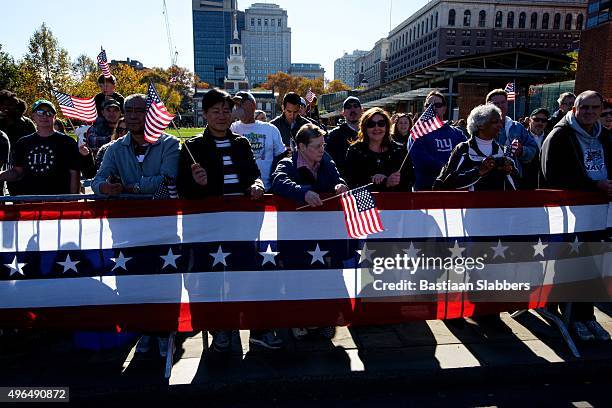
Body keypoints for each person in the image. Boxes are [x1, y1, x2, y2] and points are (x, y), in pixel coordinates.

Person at [176, 88, 267, 351]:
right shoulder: (192, 147)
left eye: (226, 111)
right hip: (207, 228)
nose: (221, 116)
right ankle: (219, 330)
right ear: (205, 114)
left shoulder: (241, 144)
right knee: (210, 279)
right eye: (215, 111)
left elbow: (253, 174)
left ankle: (247, 325)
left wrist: (257, 185)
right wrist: (198, 183)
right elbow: (183, 191)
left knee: (243, 275)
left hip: (240, 225)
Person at [541, 90, 611, 342]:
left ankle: (586, 316)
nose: (590, 112)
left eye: (595, 108)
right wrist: (594, 186)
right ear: (574, 110)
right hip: (568, 215)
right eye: (585, 108)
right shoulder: (560, 135)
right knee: (570, 264)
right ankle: (571, 316)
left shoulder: (604, 136)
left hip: (597, 216)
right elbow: (553, 175)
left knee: (592, 264)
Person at [92, 94, 179, 197]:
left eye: (139, 111)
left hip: (163, 210)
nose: (133, 116)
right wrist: (104, 187)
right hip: (128, 210)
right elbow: (97, 180)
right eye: (128, 111)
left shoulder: (170, 144)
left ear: (151, 114)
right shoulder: (115, 148)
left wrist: (135, 188)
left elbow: (168, 180)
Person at [0, 99, 80, 195]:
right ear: (33, 116)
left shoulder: (67, 142)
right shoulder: (23, 143)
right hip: (30, 202)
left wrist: (72, 201)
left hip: (59, 202)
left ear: (55, 117)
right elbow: (17, 172)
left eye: (49, 113)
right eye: (40, 112)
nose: (44, 116)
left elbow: (74, 173)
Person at [434, 104, 517, 191]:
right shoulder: (463, 149)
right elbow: (448, 182)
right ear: (480, 125)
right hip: (468, 204)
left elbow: (518, 186)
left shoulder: (502, 150)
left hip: (497, 204)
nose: (500, 125)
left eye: (501, 122)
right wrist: (479, 171)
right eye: (495, 122)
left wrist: (509, 171)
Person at [344, 108, 414, 192]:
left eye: (381, 124)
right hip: (367, 202)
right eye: (371, 124)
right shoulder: (355, 150)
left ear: (387, 126)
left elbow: (411, 179)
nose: (376, 128)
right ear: (364, 127)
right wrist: (379, 181)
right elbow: (350, 181)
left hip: (394, 201)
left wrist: (392, 181)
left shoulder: (399, 150)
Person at [409, 91, 467, 191]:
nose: (433, 108)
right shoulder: (417, 133)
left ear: (444, 109)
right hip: (427, 188)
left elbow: (466, 155)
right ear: (424, 108)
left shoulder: (457, 133)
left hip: (454, 187)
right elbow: (420, 160)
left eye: (438, 105)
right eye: (429, 105)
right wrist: (447, 169)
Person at [230, 91, 286, 191]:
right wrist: (230, 117)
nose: (239, 108)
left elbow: (281, 157)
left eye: (242, 104)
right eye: (237, 105)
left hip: (267, 188)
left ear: (253, 105)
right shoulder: (231, 128)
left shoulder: (270, 129)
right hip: (240, 190)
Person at [485, 89, 538, 179]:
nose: (500, 106)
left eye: (503, 102)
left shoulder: (517, 127)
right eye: (496, 103)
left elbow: (533, 148)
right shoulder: (481, 127)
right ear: (487, 106)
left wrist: (521, 151)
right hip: (487, 178)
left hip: (513, 178)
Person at [80, 98, 123, 178]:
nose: (112, 113)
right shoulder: (95, 128)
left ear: (120, 112)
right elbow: (94, 142)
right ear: (103, 112)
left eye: (115, 110)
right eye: (108, 110)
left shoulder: (125, 124)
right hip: (102, 173)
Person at [325, 96, 363, 176]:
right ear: (343, 113)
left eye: (355, 106)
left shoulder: (370, 131)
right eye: (348, 107)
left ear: (362, 110)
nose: (352, 110)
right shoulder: (334, 135)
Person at [521, 108, 550, 189]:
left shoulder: (551, 138)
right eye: (536, 119)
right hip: (525, 185)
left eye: (543, 120)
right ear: (530, 120)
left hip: (545, 185)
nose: (540, 123)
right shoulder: (522, 137)